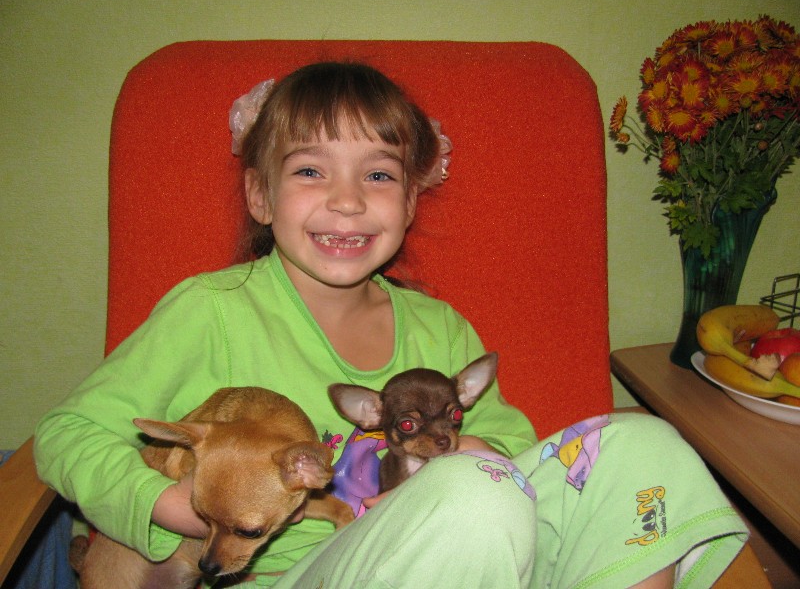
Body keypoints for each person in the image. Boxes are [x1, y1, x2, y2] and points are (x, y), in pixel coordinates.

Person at [34, 62, 747, 588]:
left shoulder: (440, 329)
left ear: (409, 201)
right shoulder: (210, 311)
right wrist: (181, 509)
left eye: (378, 176)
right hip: (302, 574)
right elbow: (68, 435)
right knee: (473, 497)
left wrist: (455, 452)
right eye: (310, 171)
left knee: (642, 444)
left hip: (460, 553)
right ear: (259, 195)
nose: (348, 201)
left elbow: (514, 452)